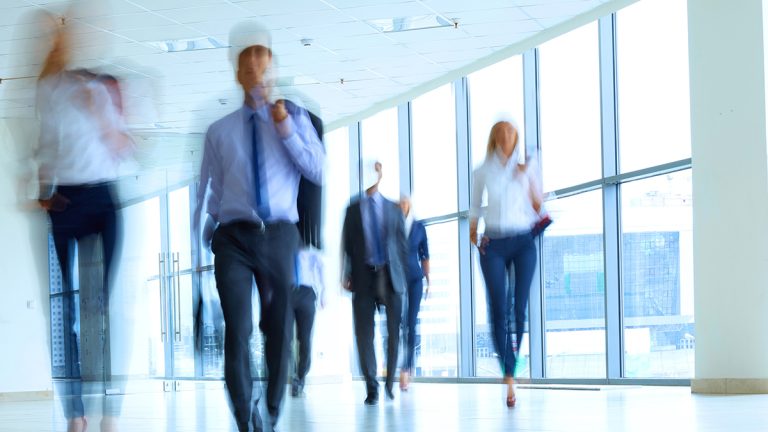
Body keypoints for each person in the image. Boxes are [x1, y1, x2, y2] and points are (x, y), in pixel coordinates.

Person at [194, 20, 324, 432]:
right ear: (238, 73)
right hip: (232, 237)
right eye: (247, 65)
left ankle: (271, 409)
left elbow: (316, 169)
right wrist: (203, 234)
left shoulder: (297, 118)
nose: (256, 72)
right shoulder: (219, 131)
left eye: (262, 64)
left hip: (279, 235)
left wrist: (285, 128)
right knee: (238, 326)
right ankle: (243, 416)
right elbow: (211, 190)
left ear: (273, 69)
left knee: (279, 327)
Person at [34, 16, 133, 432]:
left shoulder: (102, 87)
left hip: (102, 199)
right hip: (64, 201)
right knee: (65, 310)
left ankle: (110, 409)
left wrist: (100, 112)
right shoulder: (47, 92)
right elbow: (46, 146)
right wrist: (42, 189)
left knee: (102, 307)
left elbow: (123, 147)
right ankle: (75, 414)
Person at [470, 120, 543, 408]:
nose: (506, 138)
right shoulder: (482, 171)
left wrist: (528, 177)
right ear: (494, 139)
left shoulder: (525, 168)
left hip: (523, 241)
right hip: (494, 243)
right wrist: (474, 234)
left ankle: (511, 367)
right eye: (501, 133)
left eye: (511, 133)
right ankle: (509, 373)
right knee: (498, 308)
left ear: (516, 139)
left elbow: (538, 206)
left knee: (519, 307)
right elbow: (475, 206)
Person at [342, 160, 408, 405]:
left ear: (380, 175)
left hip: (391, 277)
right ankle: (372, 387)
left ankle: (389, 384)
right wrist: (345, 273)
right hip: (363, 277)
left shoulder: (393, 208)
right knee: (364, 335)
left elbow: (402, 246)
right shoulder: (352, 210)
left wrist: (404, 278)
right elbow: (347, 246)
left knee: (393, 334)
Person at [398, 195, 430, 391]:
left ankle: (406, 367)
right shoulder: (393, 225)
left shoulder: (419, 227)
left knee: (411, 323)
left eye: (404, 203)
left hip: (415, 280)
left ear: (409, 205)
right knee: (399, 323)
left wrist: (429, 280)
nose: (402, 206)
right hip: (396, 279)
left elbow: (425, 254)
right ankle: (399, 365)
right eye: (399, 204)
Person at [290, 245, 325, 397]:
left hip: (306, 293)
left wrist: (324, 292)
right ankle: (291, 375)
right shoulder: (284, 246)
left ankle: (299, 378)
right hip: (286, 291)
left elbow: (322, 269)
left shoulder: (311, 252)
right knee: (285, 339)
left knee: (305, 339)